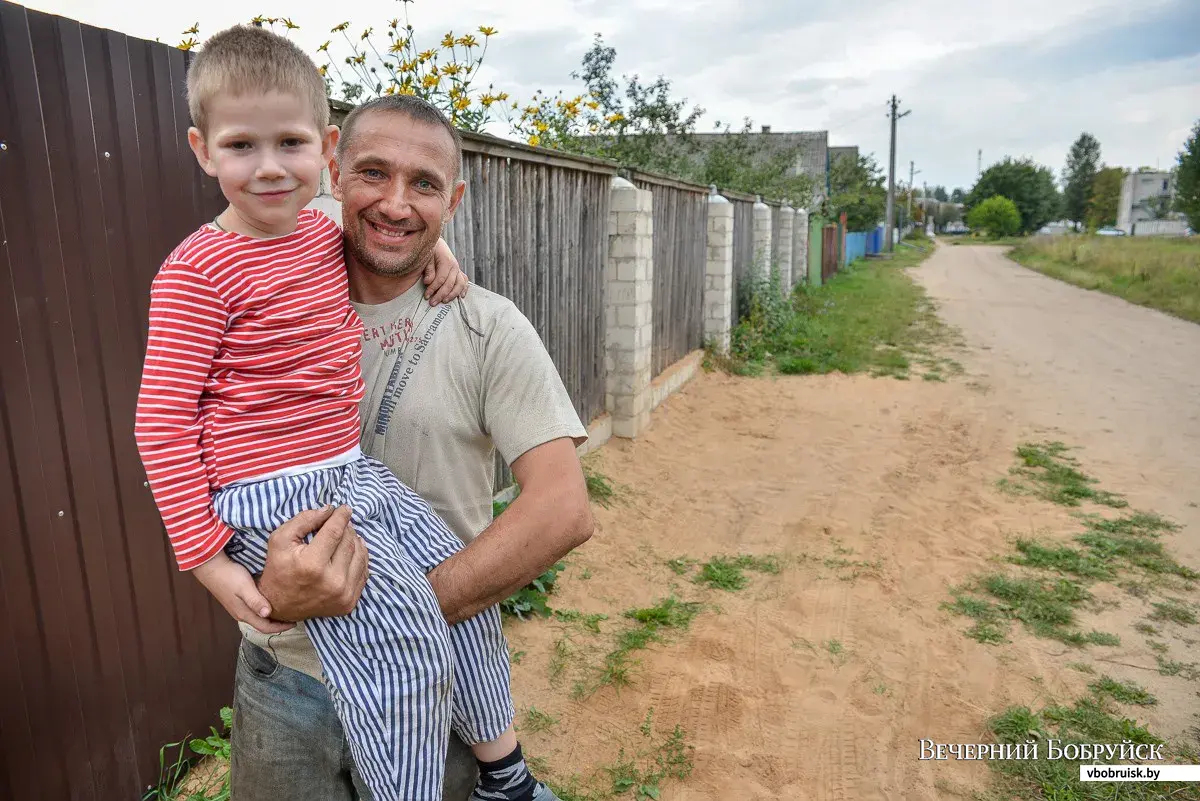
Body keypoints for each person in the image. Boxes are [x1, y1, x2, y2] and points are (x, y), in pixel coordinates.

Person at [133, 26, 589, 801]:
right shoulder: (232, 263)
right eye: (374, 174)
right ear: (339, 170)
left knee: (442, 634)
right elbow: (165, 422)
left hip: (420, 639)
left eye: (424, 186)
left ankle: (504, 774)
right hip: (284, 674)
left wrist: (396, 608)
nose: (395, 203)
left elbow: (565, 508)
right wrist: (220, 567)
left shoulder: (482, 323)